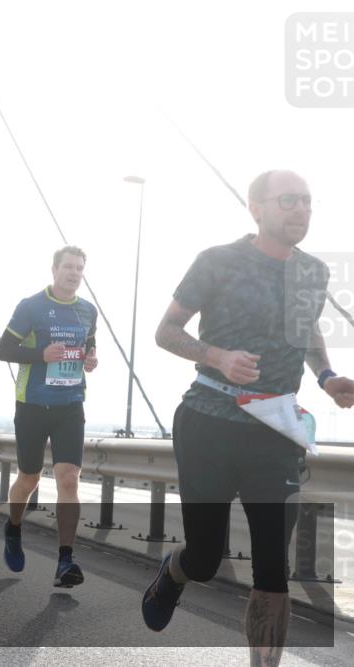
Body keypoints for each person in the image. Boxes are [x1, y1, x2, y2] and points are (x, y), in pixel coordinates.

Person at [140, 170, 354, 665]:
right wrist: (216, 356)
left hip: (275, 430)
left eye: (307, 201)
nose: (301, 209)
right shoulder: (217, 261)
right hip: (208, 422)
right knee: (205, 558)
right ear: (256, 208)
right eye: (288, 200)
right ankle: (174, 572)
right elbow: (166, 330)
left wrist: (326, 377)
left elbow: (306, 331)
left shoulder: (313, 272)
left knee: (273, 568)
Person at [0, 246, 98, 587]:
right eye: (68, 267)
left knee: (68, 479)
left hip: (70, 404)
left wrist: (90, 359)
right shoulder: (31, 306)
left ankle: (65, 560)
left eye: (79, 268)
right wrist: (41, 354)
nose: (73, 273)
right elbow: (3, 350)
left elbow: (90, 343)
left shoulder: (88, 310)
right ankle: (13, 527)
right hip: (32, 405)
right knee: (30, 478)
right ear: (54, 269)